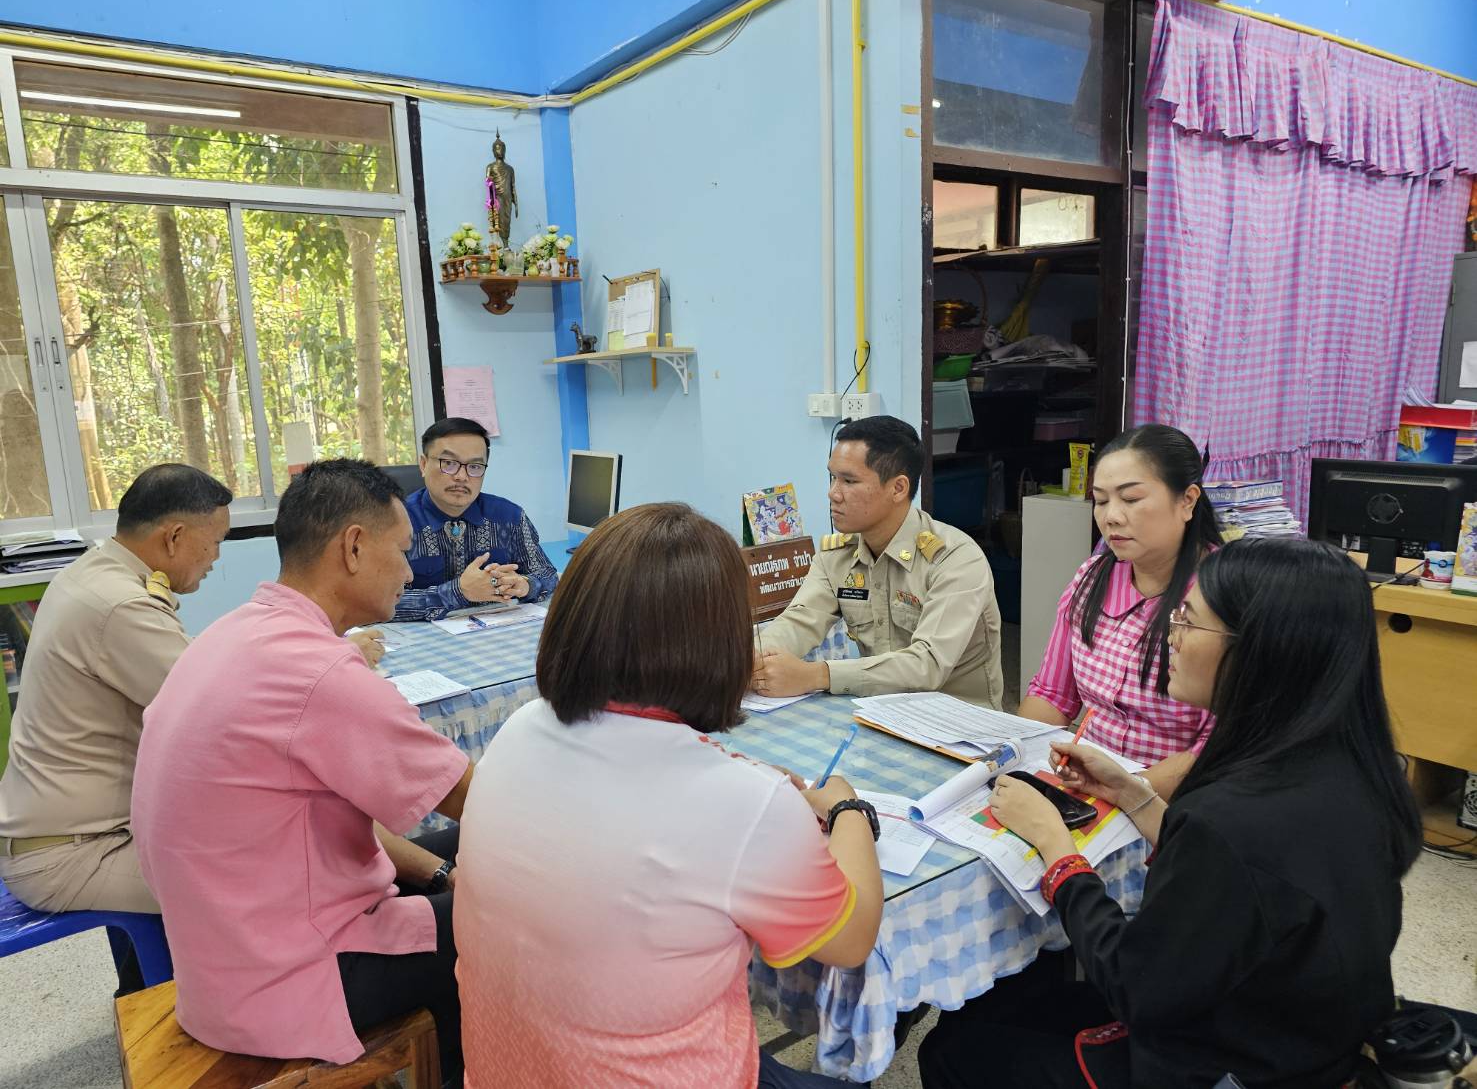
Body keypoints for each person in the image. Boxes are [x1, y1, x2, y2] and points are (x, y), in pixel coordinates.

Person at [919, 538, 1422, 1089]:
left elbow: (1135, 987)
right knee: (1004, 1001)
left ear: (1260, 649)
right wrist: (1133, 795)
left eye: (1188, 620)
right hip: (1298, 1037)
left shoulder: (1232, 815)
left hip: (1225, 1065)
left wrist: (1053, 846)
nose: (1169, 639)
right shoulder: (1353, 770)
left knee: (953, 1048)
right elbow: (1247, 885)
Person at [455, 502, 883, 1089]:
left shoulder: (520, 728)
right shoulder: (743, 804)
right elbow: (853, 938)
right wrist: (848, 809)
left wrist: (752, 788)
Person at [132, 459, 473, 1079]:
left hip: (223, 956)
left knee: (462, 857)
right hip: (294, 976)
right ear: (353, 546)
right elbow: (479, 802)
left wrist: (443, 870)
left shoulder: (235, 632)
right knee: (511, 918)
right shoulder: (324, 676)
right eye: (401, 551)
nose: (409, 571)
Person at [0, 464, 230, 928]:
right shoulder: (120, 605)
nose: (216, 557)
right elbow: (222, 710)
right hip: (75, 851)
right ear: (175, 536)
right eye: (217, 541)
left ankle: (155, 984)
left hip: (63, 830)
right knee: (267, 874)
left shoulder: (93, 574)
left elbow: (201, 670)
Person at [1017, 424, 1223, 794]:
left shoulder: (1222, 597)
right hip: (1092, 784)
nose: (1111, 516)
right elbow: (1051, 695)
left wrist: (1123, 791)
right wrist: (1014, 758)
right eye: (1100, 500)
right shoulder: (1092, 578)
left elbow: (1216, 747)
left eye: (1130, 499)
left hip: (1177, 798)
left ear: (1187, 501)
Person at [752, 416, 1005, 708]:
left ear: (898, 488)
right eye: (832, 478)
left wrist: (818, 675)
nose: (833, 493)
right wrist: (753, 660)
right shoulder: (836, 557)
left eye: (849, 481)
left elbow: (927, 664)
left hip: (961, 730)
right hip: (882, 715)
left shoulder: (954, 559)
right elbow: (799, 622)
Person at [393, 417, 557, 621]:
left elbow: (549, 576)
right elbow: (374, 602)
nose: (462, 477)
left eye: (475, 466)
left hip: (493, 636)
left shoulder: (508, 517)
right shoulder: (394, 523)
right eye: (449, 463)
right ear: (424, 465)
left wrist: (525, 584)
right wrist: (457, 592)